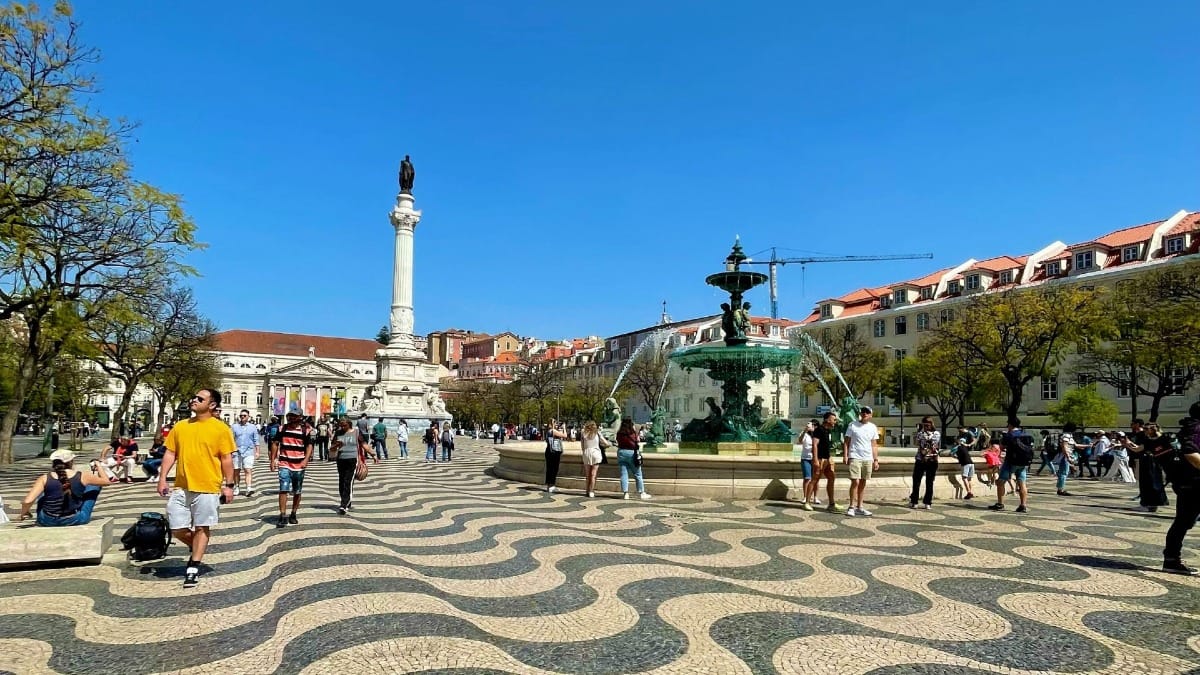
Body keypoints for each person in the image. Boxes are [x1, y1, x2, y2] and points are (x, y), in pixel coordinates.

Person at [156, 389, 236, 589]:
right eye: (194, 397)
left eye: (200, 399)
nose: (194, 400)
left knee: (202, 526)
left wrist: (229, 485)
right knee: (176, 527)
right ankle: (197, 545)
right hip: (182, 486)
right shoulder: (181, 426)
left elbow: (226, 459)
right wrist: (162, 478)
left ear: (212, 405)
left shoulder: (221, 429)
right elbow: (170, 453)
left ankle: (193, 566)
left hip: (208, 486)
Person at [18, 450, 108, 526]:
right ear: (71, 462)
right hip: (74, 519)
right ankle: (78, 507)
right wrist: (98, 465)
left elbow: (27, 501)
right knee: (94, 486)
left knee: (42, 491)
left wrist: (24, 513)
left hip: (47, 520)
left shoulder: (44, 478)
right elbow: (106, 481)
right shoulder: (82, 476)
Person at [1163, 402, 1200, 575]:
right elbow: (1190, 452)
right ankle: (1171, 559)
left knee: (1183, 522)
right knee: (1183, 522)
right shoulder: (1196, 429)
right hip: (1195, 484)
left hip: (1187, 483)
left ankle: (1171, 559)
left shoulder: (1188, 428)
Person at [270, 412, 312, 528]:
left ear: (300, 417)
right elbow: (275, 443)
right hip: (284, 463)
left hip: (299, 465)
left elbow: (309, 446)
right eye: (290, 416)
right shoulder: (282, 429)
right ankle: (282, 515)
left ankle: (293, 513)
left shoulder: (305, 430)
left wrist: (306, 460)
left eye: (294, 416)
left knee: (297, 491)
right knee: (283, 489)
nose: (291, 418)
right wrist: (272, 460)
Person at [988, 419, 1033, 513]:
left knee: (1000, 482)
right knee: (1022, 483)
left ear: (1010, 425)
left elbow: (1001, 447)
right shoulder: (1026, 434)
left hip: (1010, 462)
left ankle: (1000, 504)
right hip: (1023, 462)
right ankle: (1023, 505)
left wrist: (1003, 438)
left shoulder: (1009, 435)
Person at [1126, 422, 1171, 512]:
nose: (1144, 431)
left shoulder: (1150, 440)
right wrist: (1129, 443)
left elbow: (1137, 449)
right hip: (1157, 463)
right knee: (1155, 483)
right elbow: (1140, 448)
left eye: (1146, 429)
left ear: (1152, 429)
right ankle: (1153, 505)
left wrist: (1127, 444)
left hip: (1148, 462)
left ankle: (1147, 505)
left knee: (1147, 483)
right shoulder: (1163, 438)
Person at [843, 406, 879, 516]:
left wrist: (876, 459)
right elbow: (846, 442)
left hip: (867, 457)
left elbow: (874, 445)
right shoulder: (852, 425)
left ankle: (860, 506)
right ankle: (851, 506)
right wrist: (845, 455)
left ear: (871, 415)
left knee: (863, 482)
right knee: (855, 481)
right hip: (855, 456)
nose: (865, 414)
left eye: (867, 412)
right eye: (863, 412)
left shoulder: (872, 427)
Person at [806, 411, 840, 512]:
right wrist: (815, 459)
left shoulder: (827, 430)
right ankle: (807, 502)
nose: (835, 421)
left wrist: (830, 458)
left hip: (827, 459)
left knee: (831, 478)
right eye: (834, 419)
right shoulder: (819, 430)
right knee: (815, 479)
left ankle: (831, 503)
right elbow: (814, 444)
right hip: (820, 459)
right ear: (827, 420)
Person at [330, 418, 364, 515]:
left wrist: (373, 455)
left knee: (348, 481)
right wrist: (336, 445)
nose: (342, 427)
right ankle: (345, 501)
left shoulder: (356, 432)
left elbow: (363, 444)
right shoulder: (338, 433)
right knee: (342, 481)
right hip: (341, 459)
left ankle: (344, 505)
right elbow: (332, 448)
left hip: (352, 459)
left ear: (349, 424)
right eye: (341, 425)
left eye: (344, 425)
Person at [615, 418, 651, 500]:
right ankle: (641, 492)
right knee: (638, 473)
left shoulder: (619, 433)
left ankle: (625, 493)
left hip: (621, 452)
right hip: (632, 453)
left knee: (623, 474)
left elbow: (617, 441)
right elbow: (637, 441)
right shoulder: (632, 433)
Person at [910, 416, 942, 508]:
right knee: (916, 480)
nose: (926, 427)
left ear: (931, 424)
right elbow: (916, 443)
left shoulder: (936, 433)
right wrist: (918, 432)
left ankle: (927, 502)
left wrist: (925, 452)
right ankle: (914, 501)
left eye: (928, 425)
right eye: (924, 425)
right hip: (920, 459)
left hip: (931, 460)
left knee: (929, 482)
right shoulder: (920, 433)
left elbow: (932, 444)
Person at [230, 409, 260, 497]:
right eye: (241, 415)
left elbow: (256, 440)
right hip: (236, 452)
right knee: (236, 471)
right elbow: (231, 439)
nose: (242, 417)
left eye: (244, 415)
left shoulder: (253, 427)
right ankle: (236, 487)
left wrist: (257, 452)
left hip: (248, 451)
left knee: (248, 470)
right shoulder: (234, 426)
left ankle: (248, 488)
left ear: (248, 417)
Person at [579, 420, 608, 498]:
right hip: (596, 453)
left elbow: (582, 446)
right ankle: (591, 491)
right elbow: (606, 443)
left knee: (587, 475)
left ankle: (587, 490)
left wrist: (584, 452)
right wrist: (603, 445)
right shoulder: (597, 433)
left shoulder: (583, 433)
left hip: (586, 453)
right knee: (593, 474)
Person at [1054, 424, 1083, 496]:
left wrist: (1088, 445)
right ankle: (1060, 490)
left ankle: (1060, 488)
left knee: (1063, 472)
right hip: (1064, 456)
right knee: (1064, 473)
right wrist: (1068, 457)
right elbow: (1064, 446)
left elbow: (1075, 445)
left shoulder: (1068, 435)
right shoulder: (1066, 436)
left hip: (1065, 456)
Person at [797, 420, 817, 510]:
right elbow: (800, 441)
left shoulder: (816, 434)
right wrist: (805, 430)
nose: (810, 426)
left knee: (815, 479)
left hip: (815, 458)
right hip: (805, 458)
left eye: (812, 425)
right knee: (807, 478)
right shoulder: (804, 433)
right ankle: (805, 497)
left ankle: (815, 497)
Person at [544, 419, 568, 493]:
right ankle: (552, 485)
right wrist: (564, 428)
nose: (556, 423)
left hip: (549, 451)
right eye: (555, 422)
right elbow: (565, 436)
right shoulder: (553, 431)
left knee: (549, 469)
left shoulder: (548, 431)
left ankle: (549, 486)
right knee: (554, 469)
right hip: (554, 451)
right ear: (552, 423)